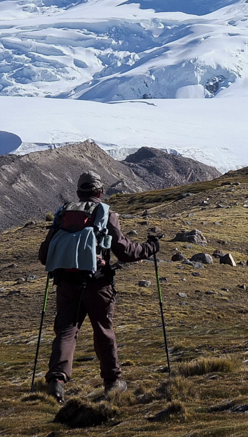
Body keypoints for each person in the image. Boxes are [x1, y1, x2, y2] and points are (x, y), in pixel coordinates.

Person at [39, 170, 159, 402]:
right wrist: (151, 247)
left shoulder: (63, 214)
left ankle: (56, 380)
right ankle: (112, 382)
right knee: (103, 330)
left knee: (66, 331)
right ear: (100, 192)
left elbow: (44, 255)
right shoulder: (105, 214)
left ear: (78, 192)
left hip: (65, 284)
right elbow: (124, 252)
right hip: (97, 283)